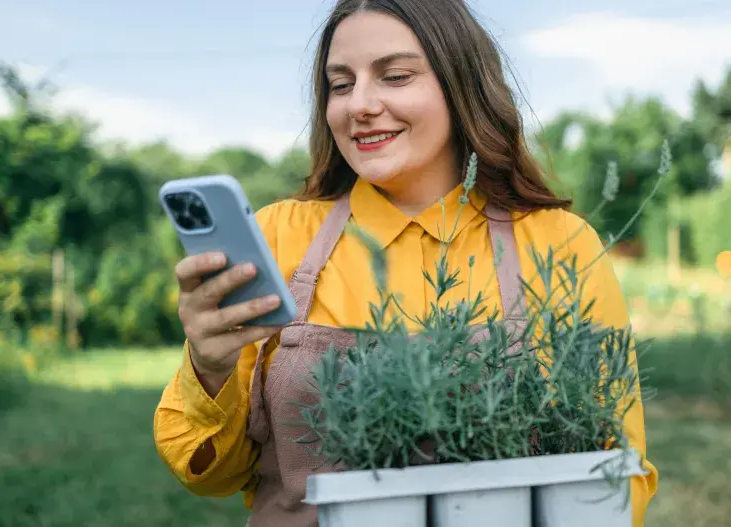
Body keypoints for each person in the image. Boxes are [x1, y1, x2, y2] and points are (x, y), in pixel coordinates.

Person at [153, 0, 659, 525]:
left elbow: (615, 468)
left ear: (461, 85)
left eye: (395, 76)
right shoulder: (283, 235)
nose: (360, 105)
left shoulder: (560, 244)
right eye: (341, 84)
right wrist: (209, 368)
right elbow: (213, 473)